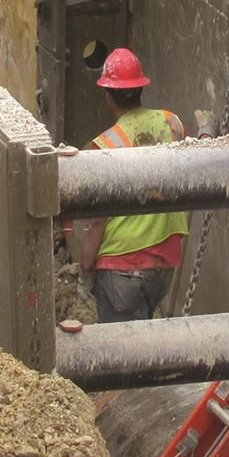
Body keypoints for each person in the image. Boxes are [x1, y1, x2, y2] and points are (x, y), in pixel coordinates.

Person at [78, 48, 189, 323]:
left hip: (120, 267)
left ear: (107, 95)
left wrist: (85, 270)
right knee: (144, 339)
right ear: (141, 88)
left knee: (119, 346)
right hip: (164, 265)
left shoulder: (102, 147)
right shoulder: (171, 123)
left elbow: (95, 221)